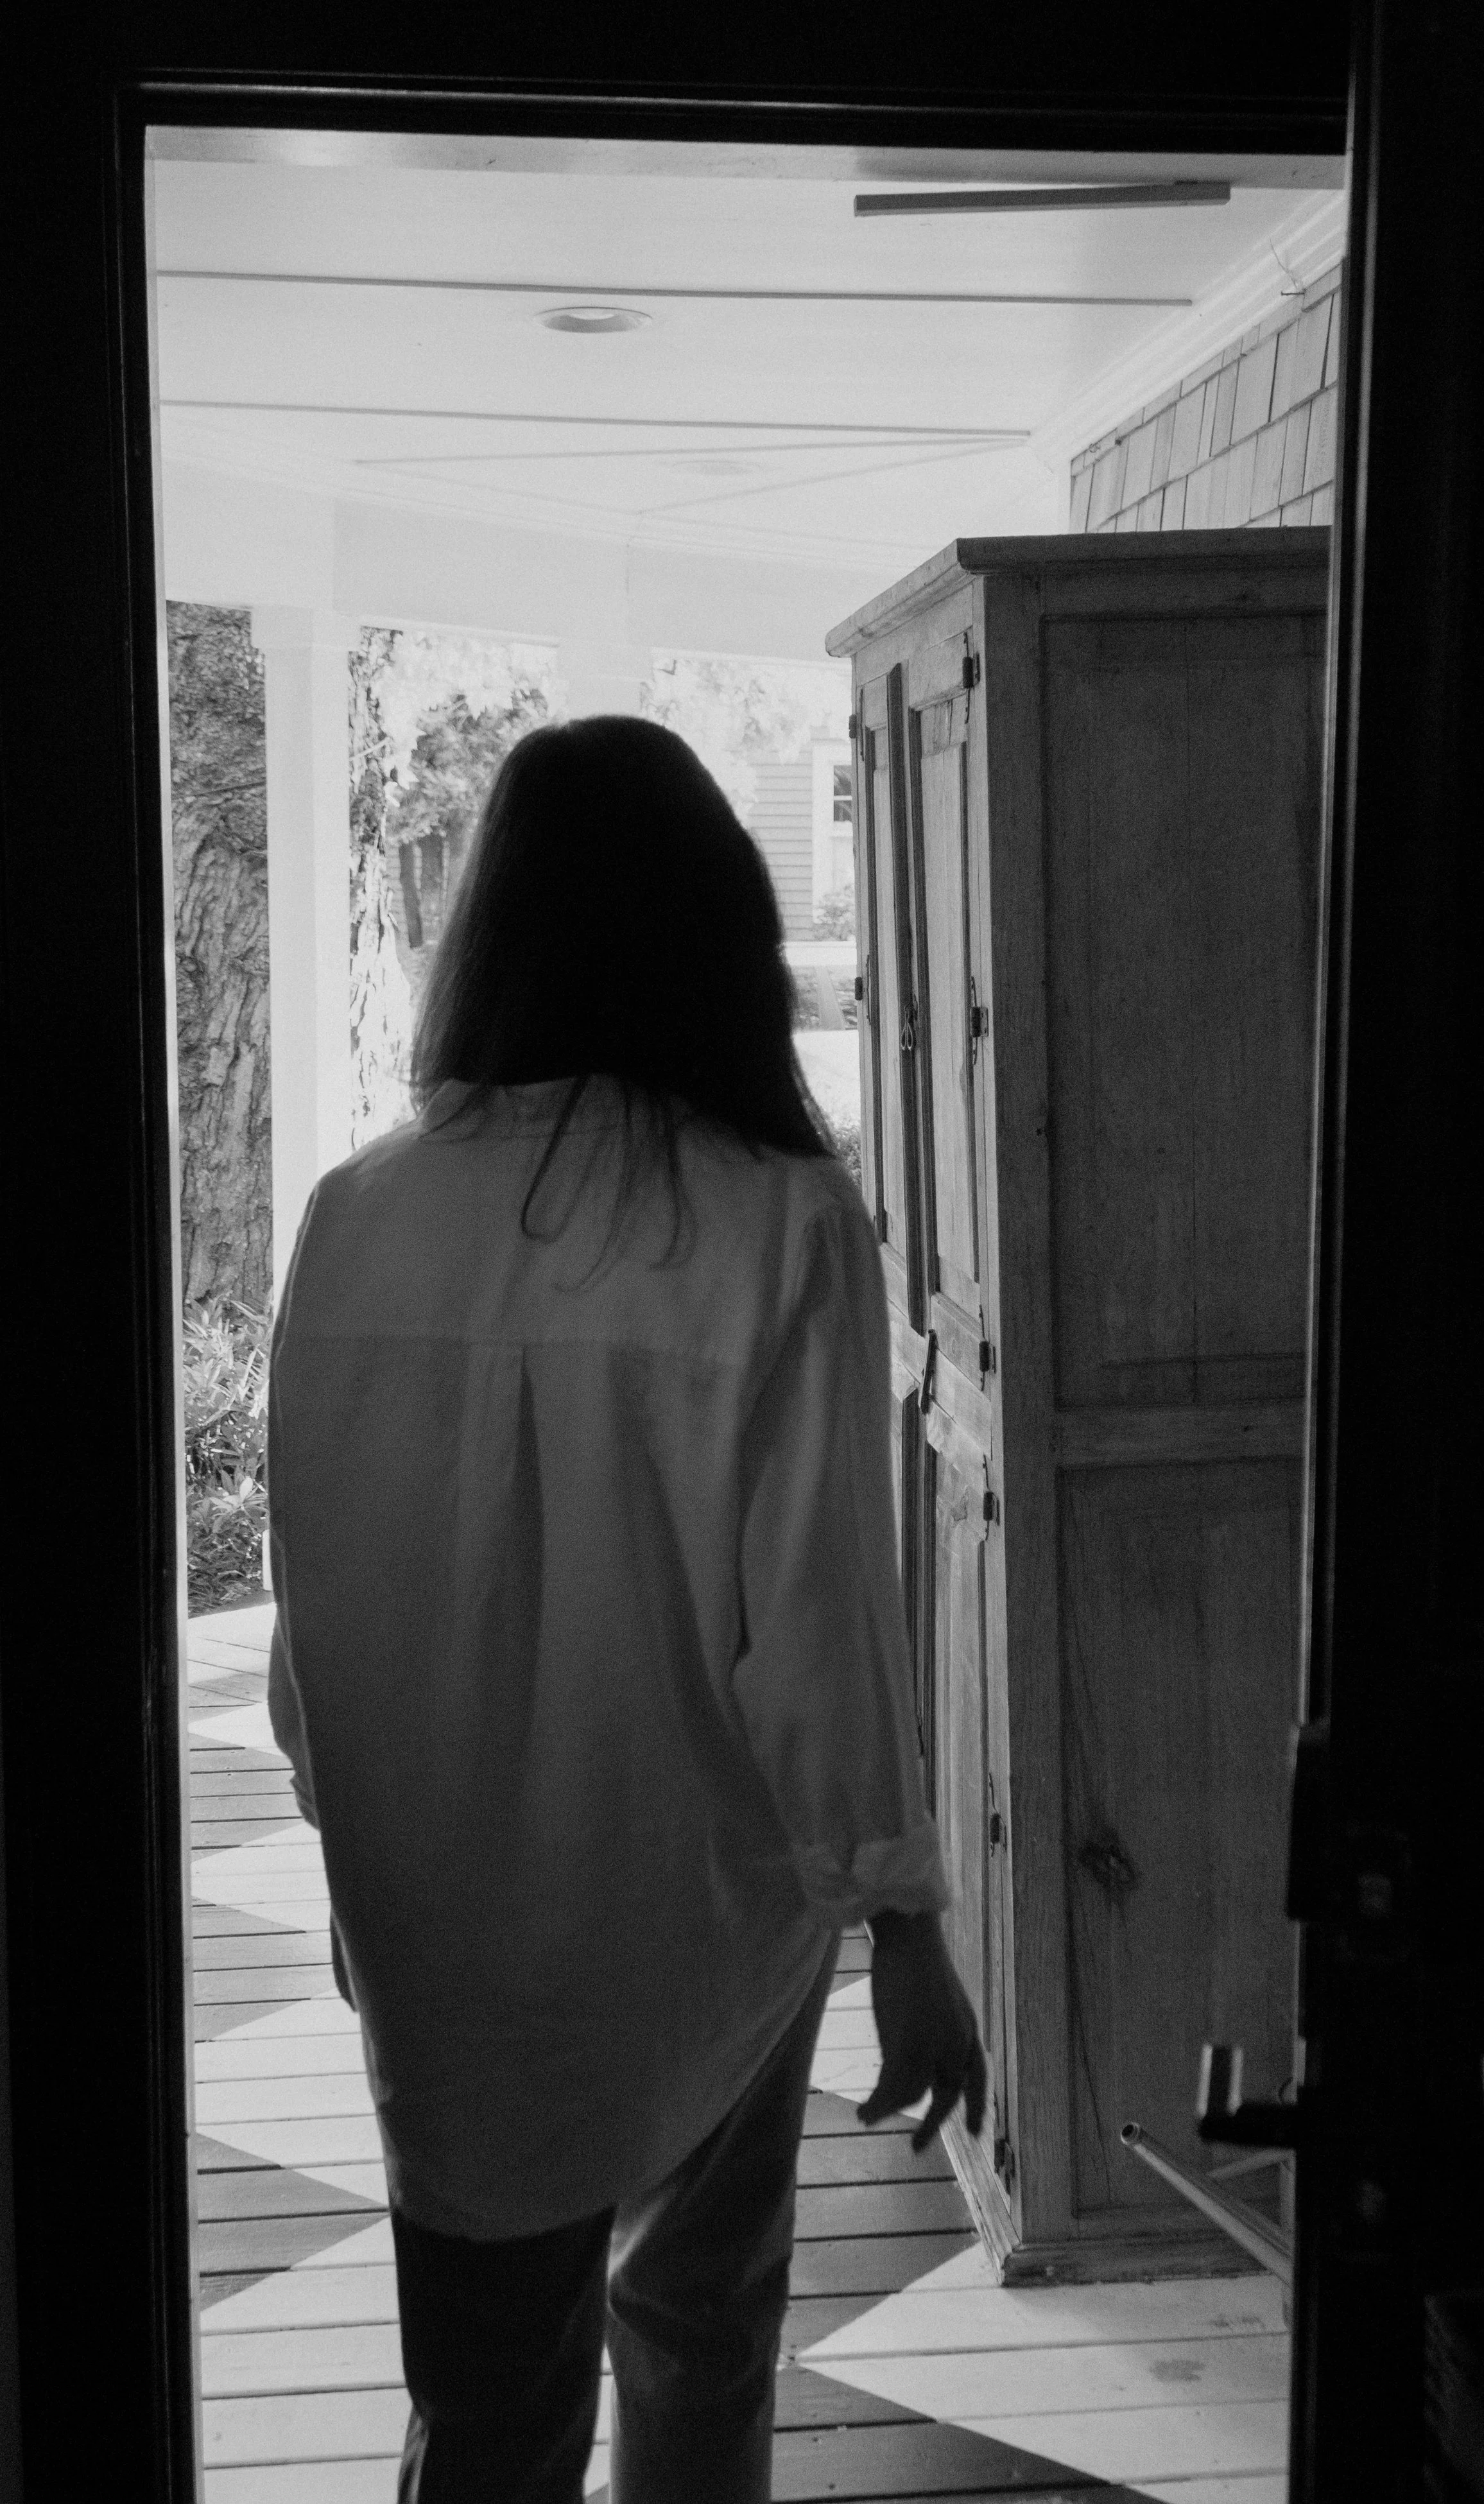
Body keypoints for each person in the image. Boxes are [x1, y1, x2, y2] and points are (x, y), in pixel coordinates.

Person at [266, 714, 986, 2504]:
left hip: (441, 1911)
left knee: (487, 2411)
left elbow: (312, 1616)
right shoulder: (782, 1222)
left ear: (489, 929)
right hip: (694, 1896)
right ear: (716, 931)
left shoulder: (356, 1217)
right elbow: (815, 1616)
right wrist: (896, 1915)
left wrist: (350, 1844)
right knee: (699, 2347)